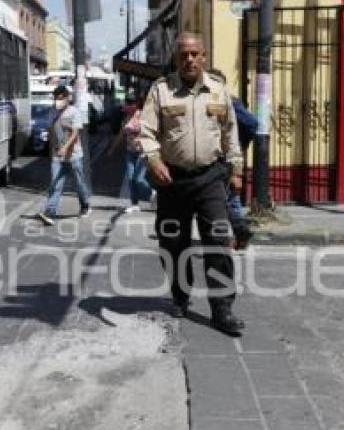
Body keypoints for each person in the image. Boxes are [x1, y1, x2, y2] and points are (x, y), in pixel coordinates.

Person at [138, 32, 245, 336]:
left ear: (204, 57)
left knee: (220, 242)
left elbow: (230, 134)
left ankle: (222, 309)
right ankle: (181, 296)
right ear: (177, 58)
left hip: (210, 177)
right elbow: (146, 130)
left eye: (195, 54)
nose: (189, 59)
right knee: (172, 243)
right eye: (183, 54)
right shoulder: (161, 91)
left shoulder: (219, 91)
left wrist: (236, 169)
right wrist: (154, 159)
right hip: (171, 178)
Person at [207, 68, 255, 250]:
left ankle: (239, 232)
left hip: (226, 158)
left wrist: (241, 144)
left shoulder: (230, 101)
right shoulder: (211, 100)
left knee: (225, 200)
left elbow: (252, 123)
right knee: (228, 199)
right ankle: (238, 236)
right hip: (219, 157)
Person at [37, 85, 92, 226]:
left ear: (67, 98)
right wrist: (51, 151)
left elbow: (75, 133)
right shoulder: (52, 112)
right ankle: (50, 212)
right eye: (56, 98)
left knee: (79, 183)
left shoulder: (74, 112)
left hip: (74, 155)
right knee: (55, 183)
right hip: (57, 155)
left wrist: (65, 148)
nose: (58, 101)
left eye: (61, 98)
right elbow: (51, 132)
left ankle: (85, 205)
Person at [109, 95, 154, 213]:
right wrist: (112, 149)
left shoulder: (144, 116)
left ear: (136, 104)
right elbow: (121, 134)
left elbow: (152, 132)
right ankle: (135, 204)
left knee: (138, 178)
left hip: (142, 151)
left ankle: (153, 193)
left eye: (130, 103)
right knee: (130, 177)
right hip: (130, 151)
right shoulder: (126, 118)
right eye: (127, 103)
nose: (128, 106)